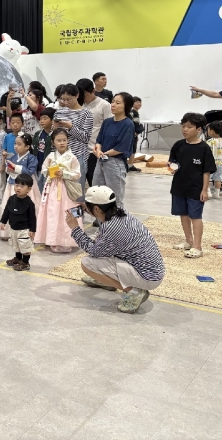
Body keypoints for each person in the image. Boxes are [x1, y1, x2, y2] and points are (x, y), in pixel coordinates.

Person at [67, 186, 164, 314]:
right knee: (102, 251)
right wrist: (88, 209)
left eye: (87, 204)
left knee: (87, 263)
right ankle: (107, 281)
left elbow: (93, 251)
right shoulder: (120, 213)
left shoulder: (112, 228)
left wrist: (75, 228)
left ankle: (134, 291)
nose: (85, 206)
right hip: (152, 271)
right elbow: (103, 241)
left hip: (147, 277)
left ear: (97, 209)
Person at [168, 112, 216, 258]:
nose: (185, 129)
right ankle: (188, 241)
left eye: (189, 127)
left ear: (199, 129)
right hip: (179, 186)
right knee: (183, 214)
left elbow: (206, 171)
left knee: (195, 216)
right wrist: (171, 167)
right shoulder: (178, 145)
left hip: (196, 188)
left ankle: (197, 246)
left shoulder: (204, 148)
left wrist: (204, 190)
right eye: (183, 126)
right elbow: (172, 162)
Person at [38, 128, 81, 252]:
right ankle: (51, 239)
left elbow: (77, 174)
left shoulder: (72, 157)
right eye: (59, 140)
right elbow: (43, 169)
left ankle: (67, 240)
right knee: (52, 212)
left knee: (66, 212)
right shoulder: (51, 156)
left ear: (68, 141)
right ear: (53, 142)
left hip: (66, 188)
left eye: (64, 140)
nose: (62, 143)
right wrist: (50, 171)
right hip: (52, 187)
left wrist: (64, 173)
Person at [92, 93, 136, 213]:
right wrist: (98, 150)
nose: (113, 105)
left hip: (115, 163)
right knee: (97, 195)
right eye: (113, 102)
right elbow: (99, 140)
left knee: (115, 198)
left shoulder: (128, 124)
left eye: (118, 103)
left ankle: (117, 223)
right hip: (101, 161)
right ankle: (101, 223)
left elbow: (121, 148)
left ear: (126, 106)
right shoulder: (107, 122)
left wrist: (104, 153)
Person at [52, 83, 93, 194]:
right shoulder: (59, 112)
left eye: (69, 99)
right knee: (59, 191)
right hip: (59, 156)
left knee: (75, 192)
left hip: (77, 156)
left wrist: (70, 127)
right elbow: (52, 135)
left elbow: (85, 138)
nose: (65, 102)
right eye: (63, 99)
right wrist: (54, 129)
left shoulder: (86, 113)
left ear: (77, 96)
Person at [0, 133, 40, 240]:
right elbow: (8, 169)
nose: (16, 146)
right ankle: (9, 232)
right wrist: (9, 168)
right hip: (12, 184)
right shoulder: (13, 157)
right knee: (9, 206)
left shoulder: (31, 158)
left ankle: (30, 231)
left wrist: (15, 167)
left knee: (28, 208)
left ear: (27, 147)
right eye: (15, 144)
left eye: (19, 144)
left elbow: (30, 171)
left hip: (26, 186)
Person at [77, 78, 112, 186]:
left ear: (93, 91)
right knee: (78, 183)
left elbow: (108, 127)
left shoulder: (104, 105)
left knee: (94, 182)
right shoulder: (78, 105)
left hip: (94, 150)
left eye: (85, 94)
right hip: (79, 149)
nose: (83, 97)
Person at [1, 173, 37, 271]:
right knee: (16, 245)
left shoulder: (29, 203)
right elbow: (7, 211)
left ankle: (25, 262)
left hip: (24, 229)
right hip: (14, 228)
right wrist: (3, 221)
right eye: (17, 185)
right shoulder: (11, 199)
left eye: (22, 186)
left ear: (29, 189)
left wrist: (32, 229)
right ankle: (18, 258)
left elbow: (32, 218)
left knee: (25, 246)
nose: (18, 188)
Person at [32, 107, 56, 191]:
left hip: (50, 168)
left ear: (52, 120)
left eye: (45, 119)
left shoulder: (55, 135)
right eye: (41, 119)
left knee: (49, 189)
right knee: (39, 188)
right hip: (39, 166)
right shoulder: (38, 134)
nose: (42, 121)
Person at [128, 97, 145, 172]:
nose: (139, 104)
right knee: (131, 149)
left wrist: (137, 134)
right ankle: (129, 165)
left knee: (133, 150)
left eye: (140, 102)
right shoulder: (132, 112)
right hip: (131, 134)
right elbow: (130, 123)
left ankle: (130, 165)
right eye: (137, 102)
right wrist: (133, 132)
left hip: (134, 134)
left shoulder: (136, 113)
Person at [207, 121, 222, 198]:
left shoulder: (209, 142)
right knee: (218, 179)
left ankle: (208, 193)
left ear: (212, 131)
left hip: (211, 163)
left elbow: (206, 153)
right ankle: (217, 194)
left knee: (207, 178)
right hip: (221, 163)